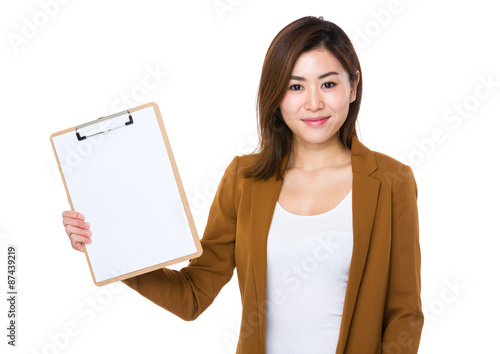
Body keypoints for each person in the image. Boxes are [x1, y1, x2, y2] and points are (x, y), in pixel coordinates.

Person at [62, 16, 423, 354]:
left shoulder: (391, 181)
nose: (314, 103)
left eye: (328, 83)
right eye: (295, 86)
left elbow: (404, 313)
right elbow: (191, 296)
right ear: (276, 95)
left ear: (353, 86)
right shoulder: (244, 178)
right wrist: (108, 249)